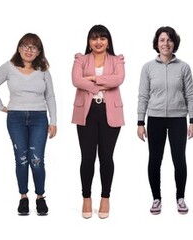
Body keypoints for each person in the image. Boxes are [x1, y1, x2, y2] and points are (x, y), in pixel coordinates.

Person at [0, 33, 57, 216]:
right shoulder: (9, 67)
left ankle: (40, 197)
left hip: (39, 118)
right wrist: (0, 105)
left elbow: (50, 96)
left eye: (33, 47)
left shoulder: (43, 70)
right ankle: (23, 197)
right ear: (19, 48)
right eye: (25, 46)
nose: (28, 50)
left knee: (37, 160)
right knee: (21, 159)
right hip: (16, 117)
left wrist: (54, 121)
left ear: (39, 51)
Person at [137, 26, 193, 215]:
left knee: (179, 160)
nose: (166, 43)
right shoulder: (147, 68)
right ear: (157, 43)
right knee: (155, 160)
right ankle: (156, 199)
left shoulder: (184, 67)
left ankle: (180, 198)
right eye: (162, 40)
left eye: (169, 40)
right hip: (155, 119)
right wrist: (140, 122)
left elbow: (190, 95)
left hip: (178, 118)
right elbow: (143, 96)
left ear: (174, 43)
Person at [71, 24, 125, 219]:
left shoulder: (117, 60)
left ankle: (105, 198)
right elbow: (76, 80)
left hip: (110, 113)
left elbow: (118, 79)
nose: (98, 42)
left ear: (108, 41)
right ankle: (86, 198)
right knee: (87, 158)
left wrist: (93, 78)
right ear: (89, 41)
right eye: (94, 38)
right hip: (86, 113)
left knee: (106, 156)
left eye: (102, 38)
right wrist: (103, 81)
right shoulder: (81, 59)